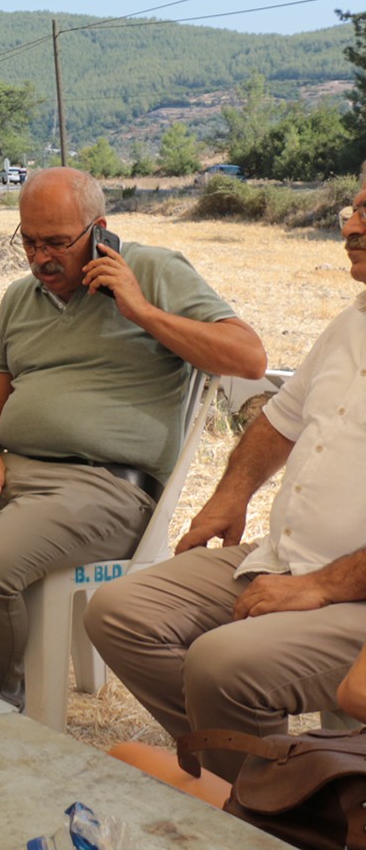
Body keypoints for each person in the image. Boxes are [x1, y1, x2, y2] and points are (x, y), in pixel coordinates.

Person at [0, 165, 262, 709]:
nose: (42, 259)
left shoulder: (154, 271)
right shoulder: (21, 297)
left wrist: (139, 309)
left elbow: (249, 359)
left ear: (101, 230)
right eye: (31, 242)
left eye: (59, 243)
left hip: (106, 489)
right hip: (11, 471)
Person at [81, 175, 366, 781]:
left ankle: (259, 803)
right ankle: (263, 782)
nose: (350, 228)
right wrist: (228, 496)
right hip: (282, 558)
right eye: (354, 209)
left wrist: (324, 585)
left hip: (352, 588)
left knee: (219, 664)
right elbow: (280, 422)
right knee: (118, 612)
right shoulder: (352, 320)